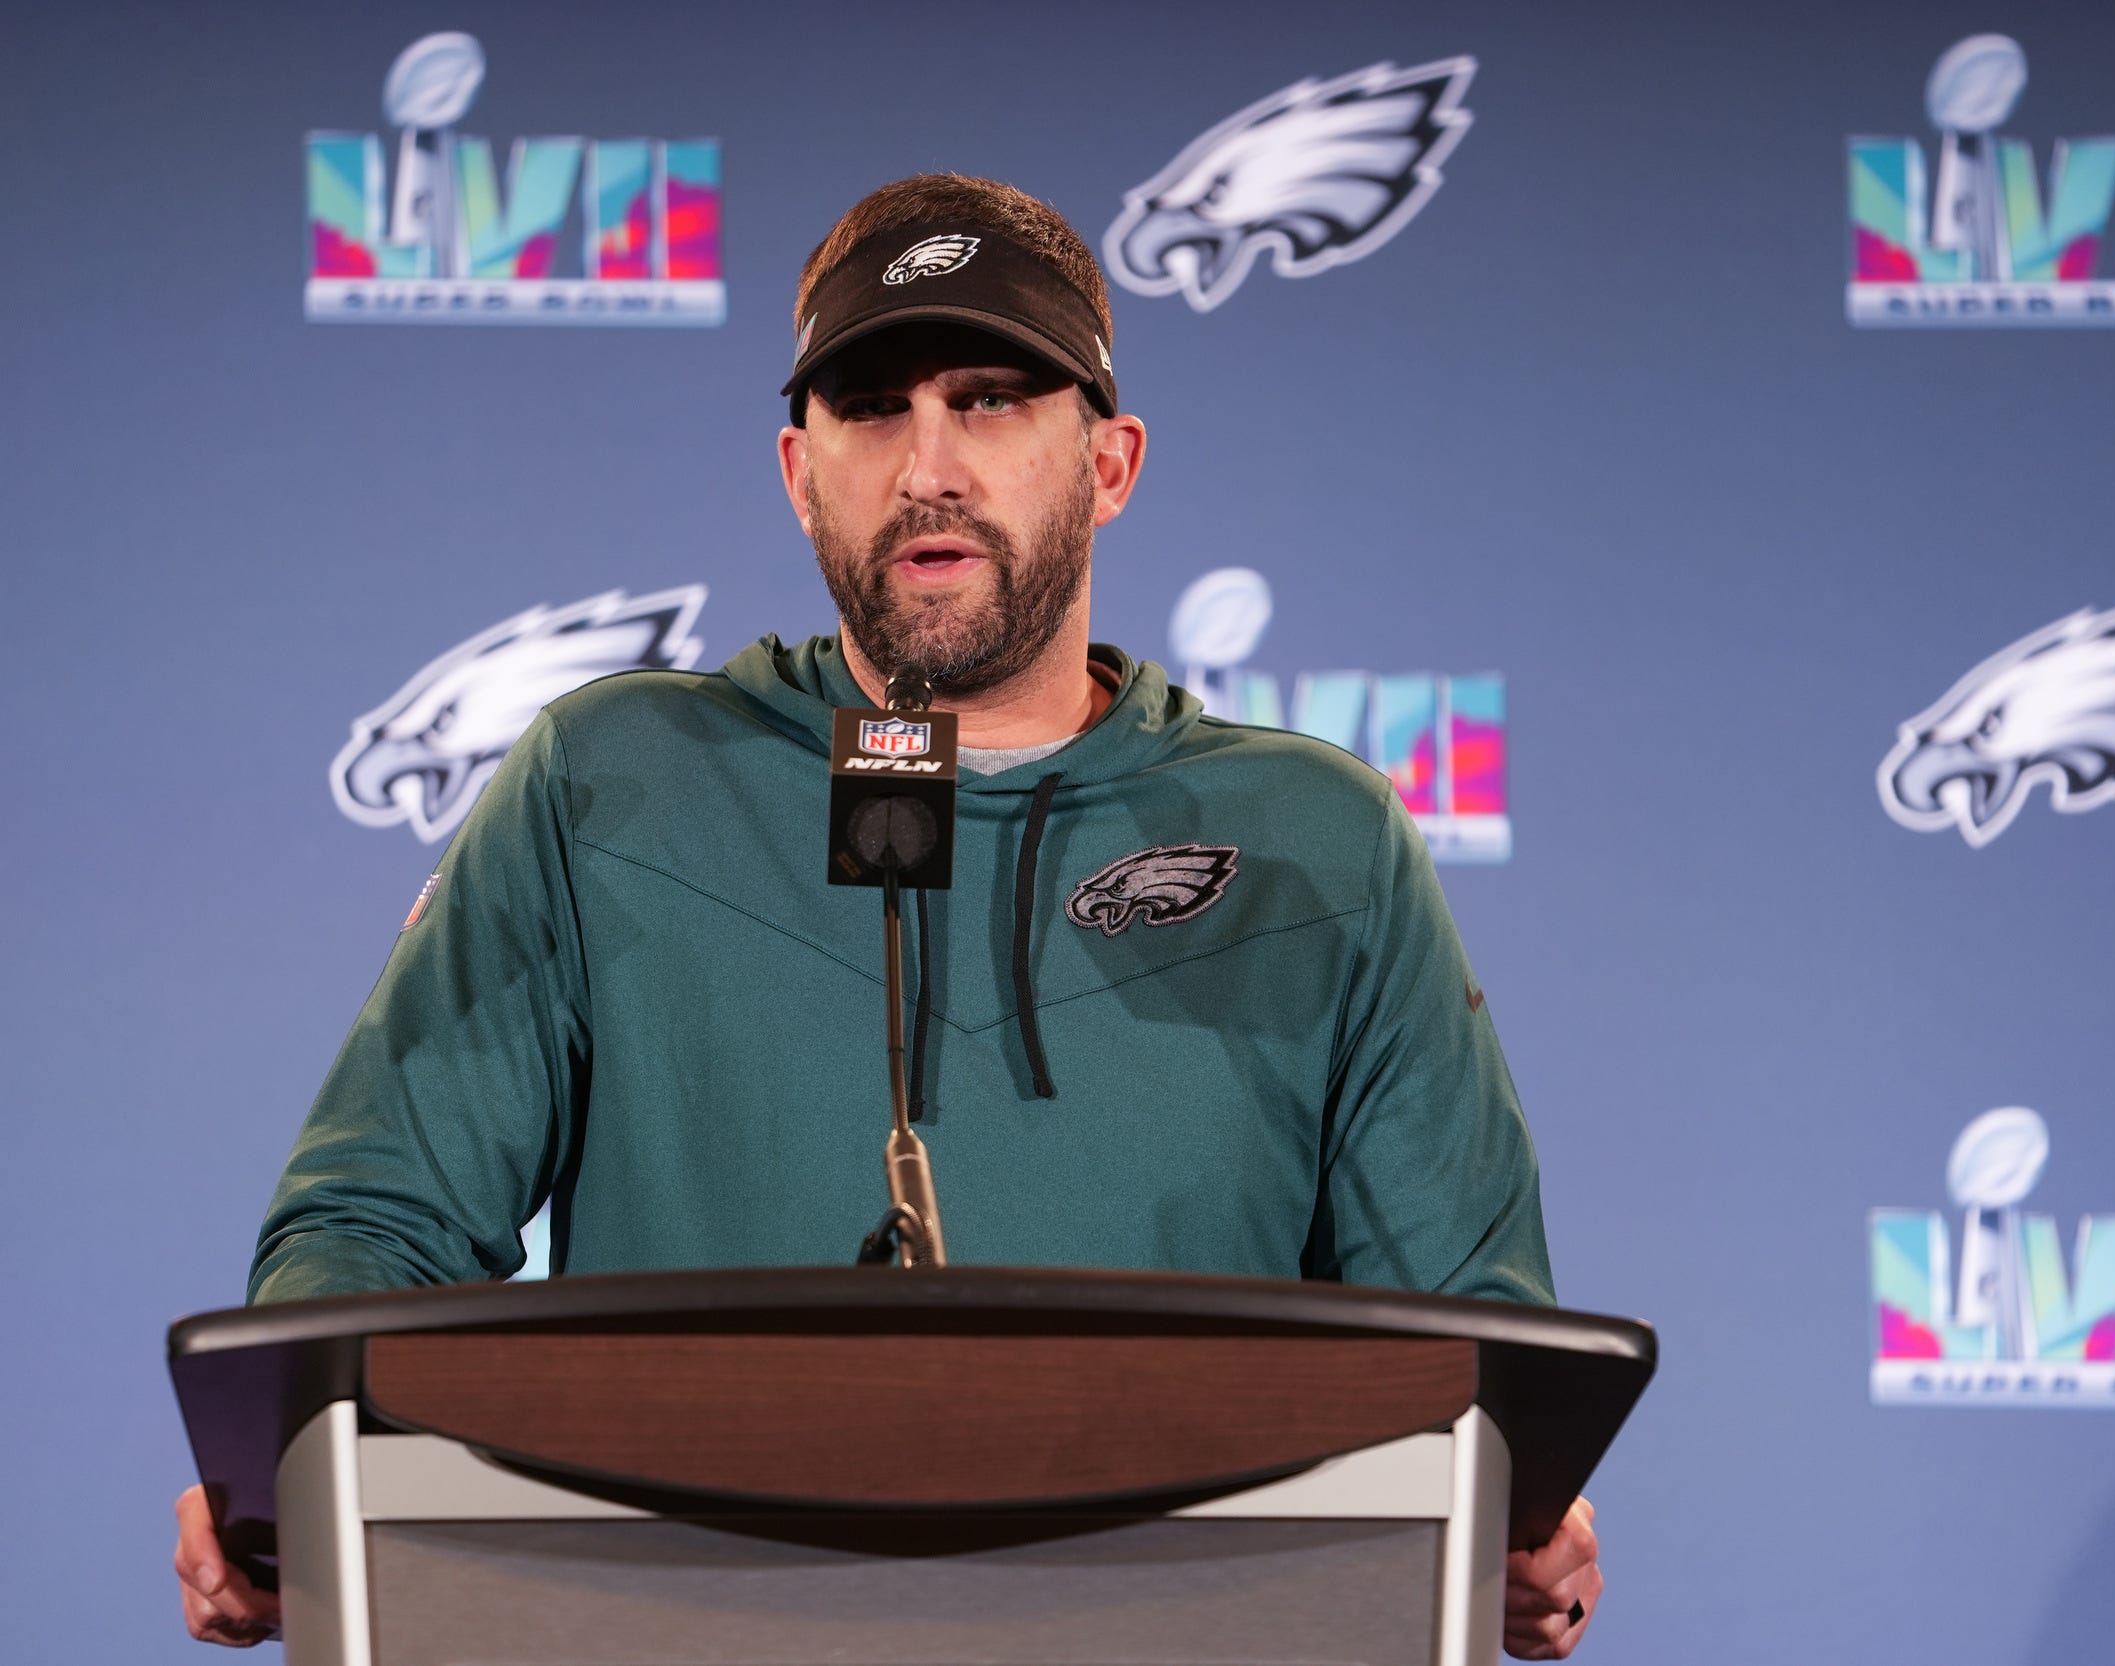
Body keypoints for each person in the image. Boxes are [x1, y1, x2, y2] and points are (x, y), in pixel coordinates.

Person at [175, 174, 1603, 1658]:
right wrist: (297, 1461)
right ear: (800, 470)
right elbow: (373, 1224)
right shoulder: (612, 784)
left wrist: (1511, 1513)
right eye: (871, 406)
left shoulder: (1322, 844)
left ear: (1110, 462)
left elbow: (1466, 1353)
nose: (929, 465)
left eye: (990, 400)